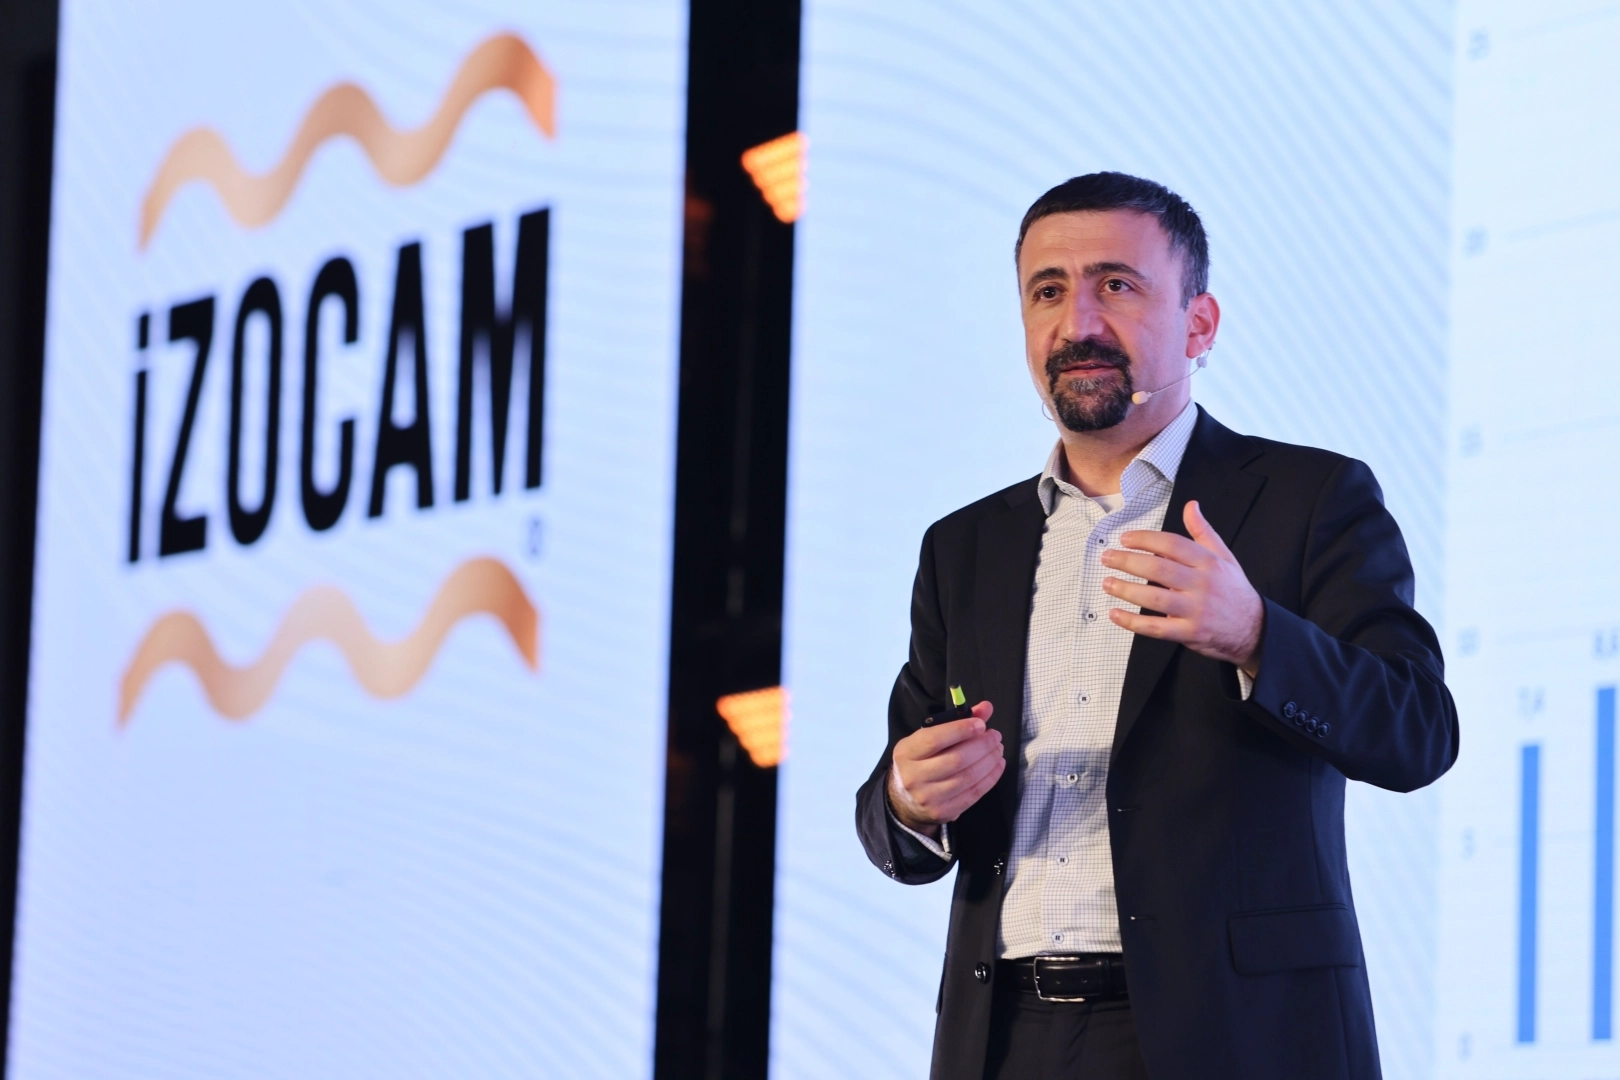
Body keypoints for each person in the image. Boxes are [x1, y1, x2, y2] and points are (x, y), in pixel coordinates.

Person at [855, 172, 1458, 1080]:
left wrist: (1256, 636)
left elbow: (1419, 733)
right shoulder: (965, 546)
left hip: (1234, 1035)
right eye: (1047, 291)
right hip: (1003, 1035)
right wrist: (910, 800)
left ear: (1199, 325)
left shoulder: (1307, 499)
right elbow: (894, 809)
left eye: (1117, 285)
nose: (1078, 322)